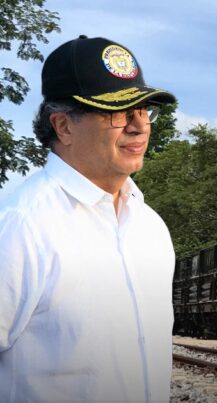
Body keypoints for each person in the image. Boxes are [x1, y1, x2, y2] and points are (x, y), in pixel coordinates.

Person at [0, 36, 177, 402]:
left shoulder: (151, 228)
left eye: (144, 110)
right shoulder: (22, 225)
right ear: (63, 126)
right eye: (118, 112)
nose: (138, 126)